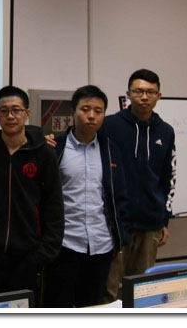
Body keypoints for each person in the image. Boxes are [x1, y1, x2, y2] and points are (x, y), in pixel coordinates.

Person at [0, 86, 64, 300]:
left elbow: (54, 206)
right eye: (4, 111)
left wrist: (44, 253)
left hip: (30, 256)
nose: (10, 116)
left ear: (27, 113)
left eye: (16, 110)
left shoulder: (44, 154)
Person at [43, 85, 129, 308]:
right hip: (65, 244)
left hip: (101, 245)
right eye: (85, 109)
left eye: (98, 111)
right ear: (73, 112)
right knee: (57, 306)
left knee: (91, 308)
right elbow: (43, 197)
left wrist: (119, 239)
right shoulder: (55, 148)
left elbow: (119, 197)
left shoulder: (110, 149)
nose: (91, 115)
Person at [101, 69, 175, 303]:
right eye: (139, 91)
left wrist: (165, 219)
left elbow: (169, 177)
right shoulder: (109, 125)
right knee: (109, 291)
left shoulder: (166, 131)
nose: (144, 97)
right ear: (128, 94)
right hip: (114, 224)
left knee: (142, 291)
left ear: (159, 96)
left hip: (150, 224)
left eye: (150, 92)